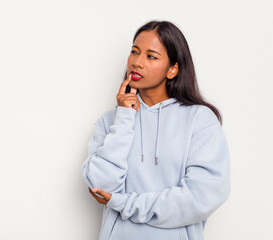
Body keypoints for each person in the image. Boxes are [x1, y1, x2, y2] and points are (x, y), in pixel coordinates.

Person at [81, 20, 230, 240]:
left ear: (173, 69)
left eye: (151, 56)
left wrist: (123, 203)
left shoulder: (199, 119)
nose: (137, 63)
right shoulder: (111, 121)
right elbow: (101, 187)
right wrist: (125, 118)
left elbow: (202, 197)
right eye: (134, 52)